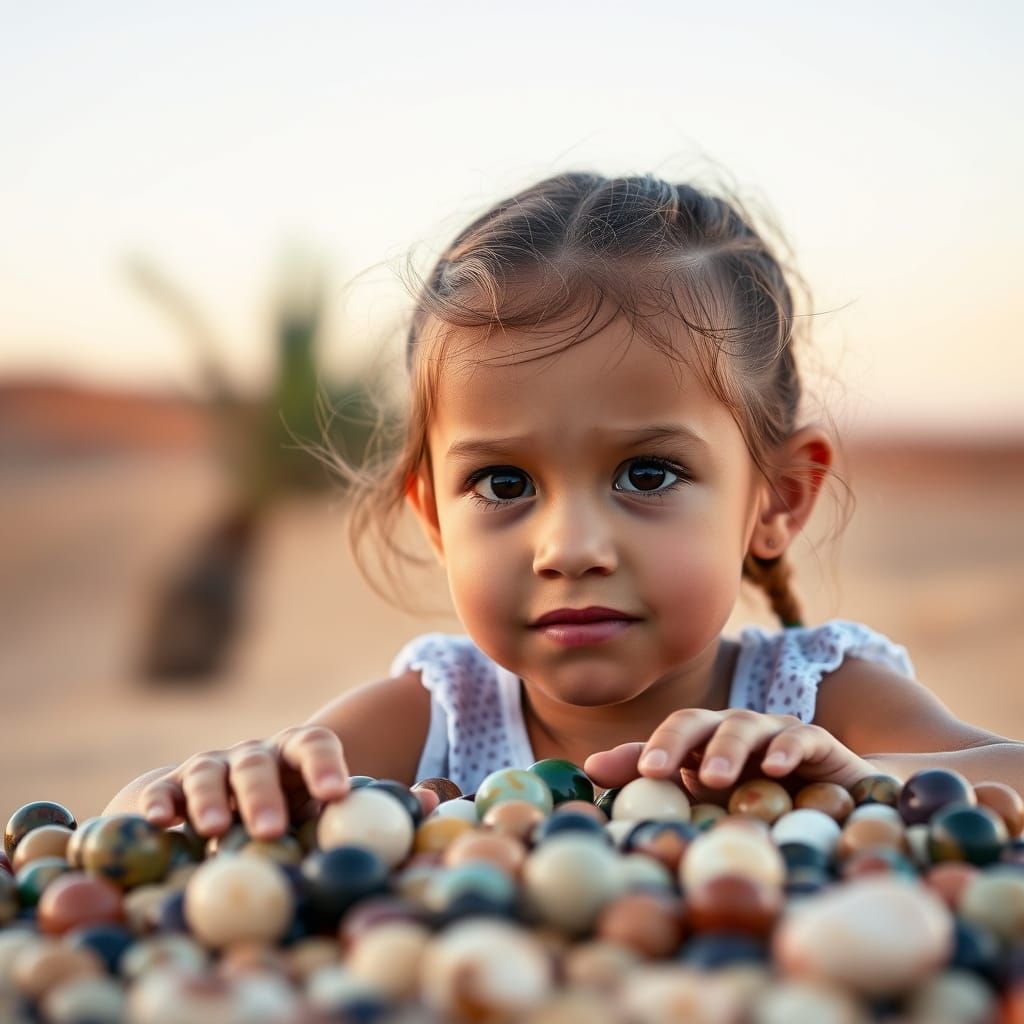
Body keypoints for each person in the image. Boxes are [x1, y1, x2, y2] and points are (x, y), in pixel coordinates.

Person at [105, 172, 1023, 839]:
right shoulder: (437, 716)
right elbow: (126, 824)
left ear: (777, 498)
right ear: (433, 515)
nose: (570, 547)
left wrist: (864, 783)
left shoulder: (818, 702)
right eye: (503, 484)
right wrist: (227, 787)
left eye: (648, 475)